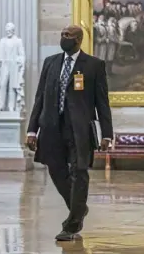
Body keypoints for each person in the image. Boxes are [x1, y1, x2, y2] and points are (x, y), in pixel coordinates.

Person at [26, 25, 113, 241]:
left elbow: (102, 102)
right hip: (52, 126)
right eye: (62, 34)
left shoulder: (94, 65)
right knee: (55, 170)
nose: (64, 38)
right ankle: (79, 208)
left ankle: (72, 224)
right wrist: (32, 130)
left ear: (79, 40)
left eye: (68, 36)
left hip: (80, 128)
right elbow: (40, 98)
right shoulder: (51, 63)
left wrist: (107, 134)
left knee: (79, 171)